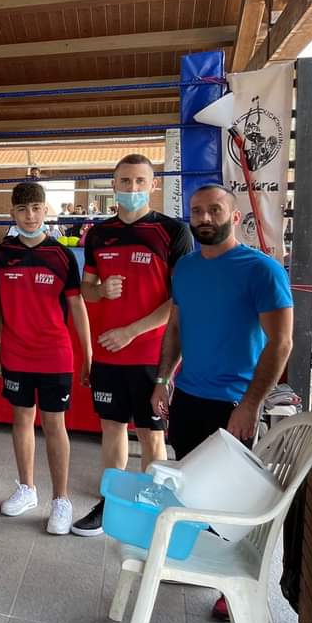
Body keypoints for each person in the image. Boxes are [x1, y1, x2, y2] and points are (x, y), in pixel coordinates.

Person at [151, 183, 292, 622]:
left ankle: (232, 586)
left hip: (233, 404)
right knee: (191, 487)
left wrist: (250, 404)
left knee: (233, 500)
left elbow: (281, 343)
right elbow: (176, 328)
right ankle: (196, 560)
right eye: (197, 211)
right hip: (189, 395)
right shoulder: (186, 268)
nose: (205, 218)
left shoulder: (262, 270)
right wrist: (163, 380)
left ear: (233, 216)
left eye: (214, 210)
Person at [71, 154, 192, 537]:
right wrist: (100, 290)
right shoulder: (98, 234)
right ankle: (110, 503)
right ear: (114, 185)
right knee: (112, 428)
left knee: (152, 434)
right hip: (109, 353)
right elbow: (87, 290)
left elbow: (180, 300)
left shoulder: (172, 232)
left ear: (153, 185)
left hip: (153, 354)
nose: (132, 188)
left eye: (140, 181)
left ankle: (153, 510)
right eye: (125, 181)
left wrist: (132, 331)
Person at [0, 182, 92, 535]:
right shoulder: (2, 253)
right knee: (21, 419)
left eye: (36, 208)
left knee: (54, 424)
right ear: (12, 213)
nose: (30, 216)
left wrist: (88, 353)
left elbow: (77, 305)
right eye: (22, 209)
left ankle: (61, 500)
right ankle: (27, 488)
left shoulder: (62, 255)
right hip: (15, 351)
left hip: (54, 353)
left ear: (46, 209)